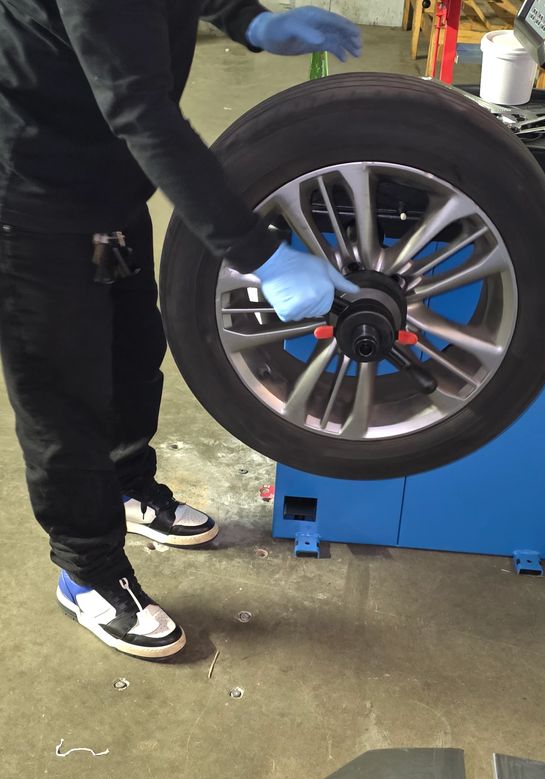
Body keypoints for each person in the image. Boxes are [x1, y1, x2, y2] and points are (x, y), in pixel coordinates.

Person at [0, 1, 361, 660]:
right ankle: (87, 573)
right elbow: (141, 111)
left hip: (106, 192)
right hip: (33, 201)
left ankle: (128, 490)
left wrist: (247, 18)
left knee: (132, 353)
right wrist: (257, 251)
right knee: (64, 399)